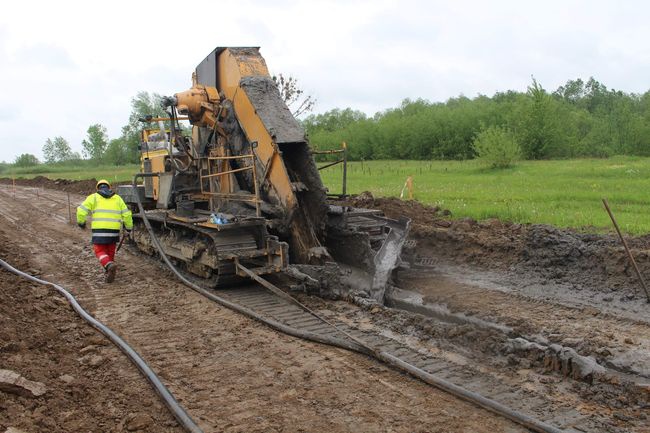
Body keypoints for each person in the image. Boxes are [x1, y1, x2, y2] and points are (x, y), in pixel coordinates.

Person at [77, 179, 133, 282]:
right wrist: (128, 228)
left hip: (99, 231)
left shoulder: (93, 197)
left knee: (99, 251)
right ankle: (109, 271)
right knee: (110, 251)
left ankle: (109, 266)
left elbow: (81, 210)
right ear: (109, 187)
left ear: (98, 188)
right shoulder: (118, 198)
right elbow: (127, 214)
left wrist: (81, 222)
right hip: (114, 232)